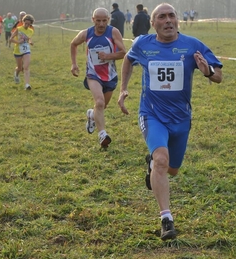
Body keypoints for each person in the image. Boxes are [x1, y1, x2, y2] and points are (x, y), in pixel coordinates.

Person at [118, 3, 223, 241]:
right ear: (152, 23)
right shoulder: (143, 44)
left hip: (181, 118)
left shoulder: (192, 45)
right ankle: (166, 218)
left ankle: (153, 164)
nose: (168, 20)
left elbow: (218, 76)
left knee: (172, 170)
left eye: (171, 16)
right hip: (152, 114)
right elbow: (127, 59)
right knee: (162, 160)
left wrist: (207, 72)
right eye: (162, 17)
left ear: (178, 21)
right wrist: (123, 90)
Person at [70, 8, 126, 149]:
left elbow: (123, 53)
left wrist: (107, 56)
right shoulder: (86, 34)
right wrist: (74, 64)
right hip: (93, 74)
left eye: (104, 20)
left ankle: (91, 115)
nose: (101, 24)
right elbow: (73, 44)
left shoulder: (113, 32)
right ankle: (102, 135)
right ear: (93, 19)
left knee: (102, 106)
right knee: (100, 102)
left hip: (110, 76)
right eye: (98, 20)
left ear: (108, 19)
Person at [10, 14, 35, 91]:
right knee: (20, 68)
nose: (27, 25)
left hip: (26, 50)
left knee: (26, 68)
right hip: (18, 51)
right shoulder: (18, 29)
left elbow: (29, 38)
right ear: (23, 21)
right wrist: (18, 42)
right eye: (25, 23)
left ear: (31, 24)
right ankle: (16, 74)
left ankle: (27, 85)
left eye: (28, 24)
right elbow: (10, 39)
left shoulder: (31, 31)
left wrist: (30, 42)